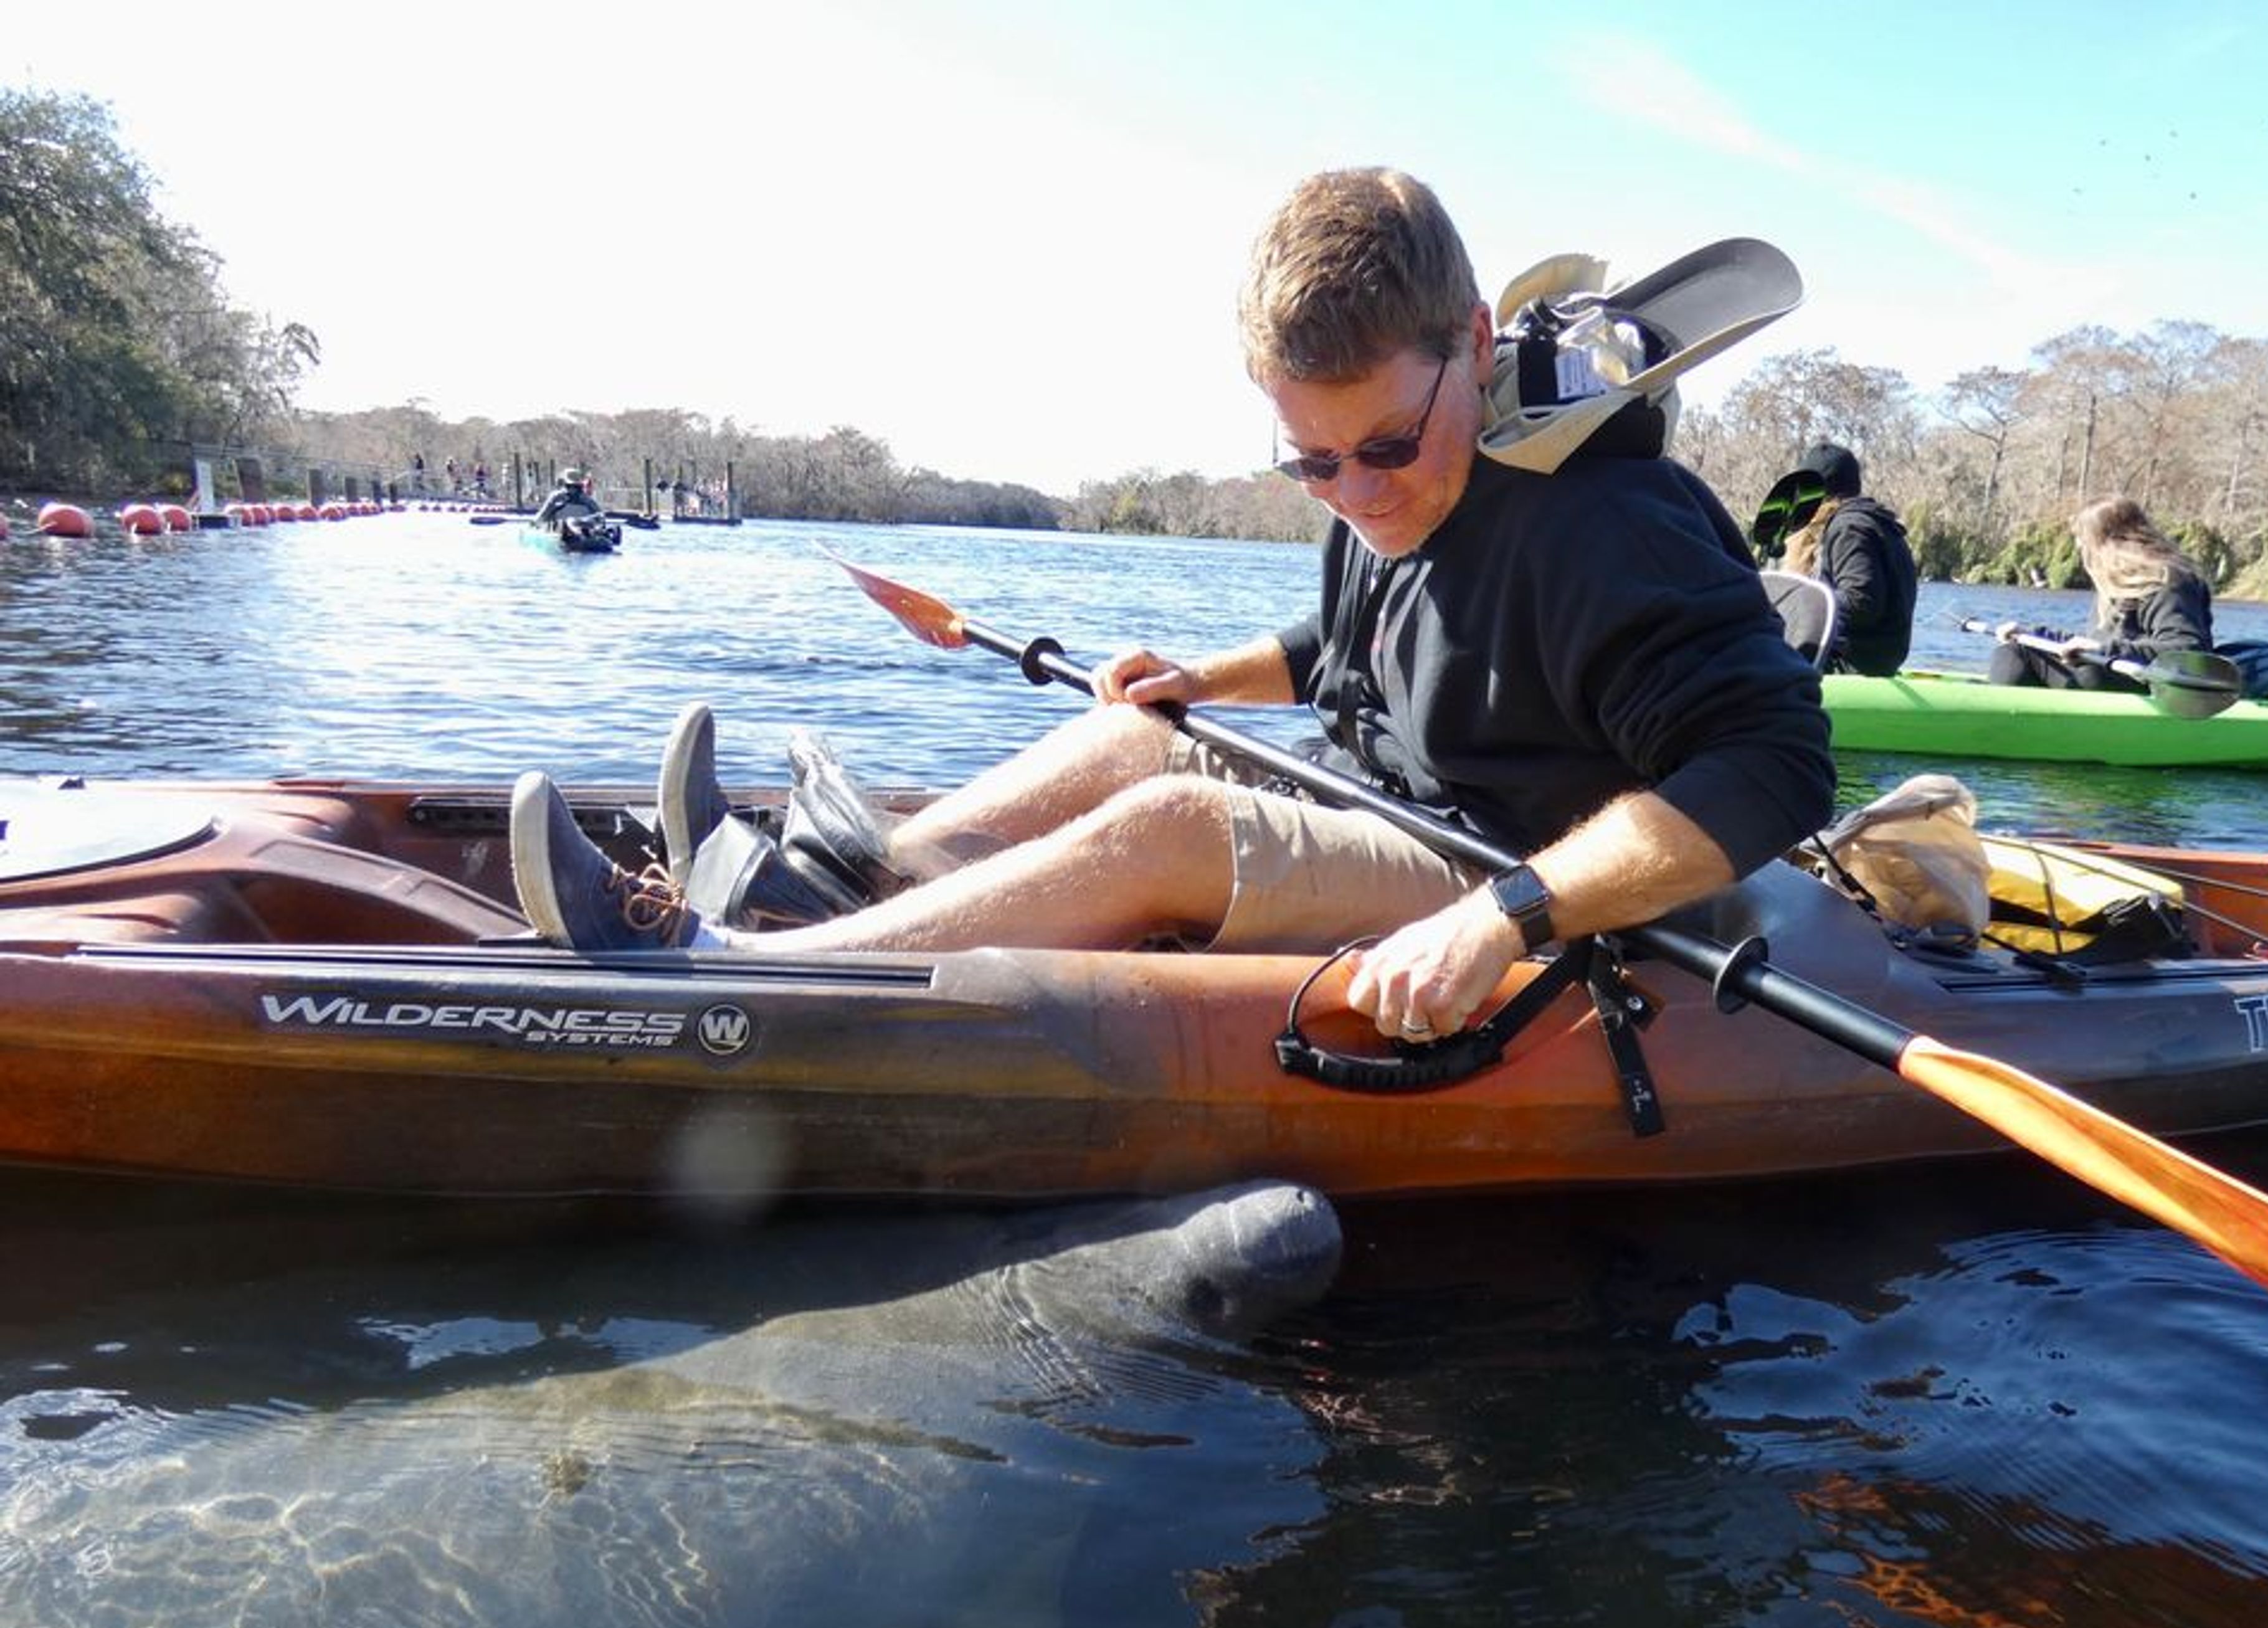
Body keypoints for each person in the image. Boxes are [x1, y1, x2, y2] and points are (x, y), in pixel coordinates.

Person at [506, 166, 1836, 1044]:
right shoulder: (1402, 489)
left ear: (1476, 347)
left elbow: (1774, 770)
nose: (1354, 492)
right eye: (1309, 462)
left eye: (1381, 447)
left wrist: (1506, 916)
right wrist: (1204, 680)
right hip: (1381, 797)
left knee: (1178, 822)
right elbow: (1352, 651)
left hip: (1508, 864)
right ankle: (847, 891)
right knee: (1142, 736)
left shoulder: (1607, 525)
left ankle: (750, 982)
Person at [1985, 495, 2213, 689]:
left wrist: (2104, 650)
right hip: (2107, 672)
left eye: (2083, 541)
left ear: (2113, 542)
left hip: (2152, 686)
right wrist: (2031, 635)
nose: (2079, 548)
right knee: (2015, 652)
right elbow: (2091, 644)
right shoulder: (2115, 585)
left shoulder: (2168, 580)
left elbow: (2187, 651)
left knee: (2087, 674)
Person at [1764, 442, 1917, 675]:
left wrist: (1797, 601)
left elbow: (1861, 602)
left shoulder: (1850, 527)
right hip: (1865, 661)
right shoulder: (1869, 523)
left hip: (1850, 666)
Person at [531, 466, 602, 528]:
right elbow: (600, 520)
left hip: (573, 537)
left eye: (575, 487)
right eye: (571, 487)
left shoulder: (556, 498)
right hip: (563, 536)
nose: (573, 490)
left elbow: (541, 517)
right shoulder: (587, 500)